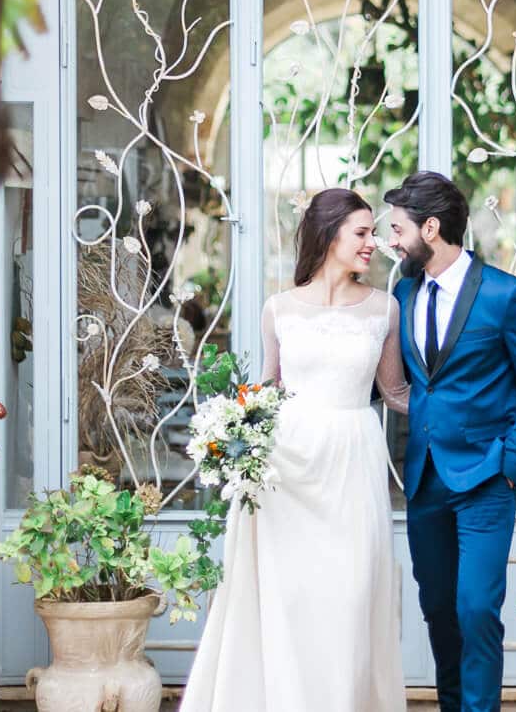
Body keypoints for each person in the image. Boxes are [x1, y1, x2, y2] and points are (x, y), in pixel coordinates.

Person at [179, 188, 411, 712]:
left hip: (352, 462)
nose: (372, 243)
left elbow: (395, 393)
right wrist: (231, 436)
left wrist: (465, 414)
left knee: (350, 599)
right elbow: (267, 388)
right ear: (329, 236)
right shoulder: (278, 308)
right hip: (285, 472)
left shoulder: (384, 309)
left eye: (374, 231)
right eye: (362, 232)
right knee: (292, 601)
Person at [385, 171, 516, 712]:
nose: (391, 240)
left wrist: (510, 463)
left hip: (487, 479)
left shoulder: (508, 296)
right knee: (439, 609)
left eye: (397, 229)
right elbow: (400, 382)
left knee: (476, 609)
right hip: (424, 480)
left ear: (431, 228)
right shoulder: (402, 293)